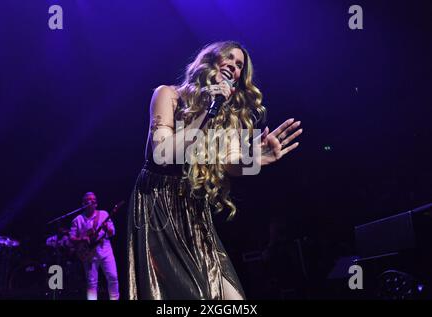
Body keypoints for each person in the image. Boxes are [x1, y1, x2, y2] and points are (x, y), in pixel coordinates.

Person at [127, 41, 302, 300]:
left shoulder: (228, 117)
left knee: (230, 297)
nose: (234, 65)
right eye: (228, 58)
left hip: (194, 210)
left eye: (240, 64)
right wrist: (209, 110)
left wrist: (256, 159)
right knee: (180, 296)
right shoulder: (168, 94)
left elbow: (231, 165)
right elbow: (162, 153)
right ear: (210, 60)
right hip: (157, 204)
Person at [70, 192, 119, 300]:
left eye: (94, 200)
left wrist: (107, 229)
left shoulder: (104, 214)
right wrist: (82, 238)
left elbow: (112, 233)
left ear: (96, 203)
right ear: (83, 203)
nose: (91, 201)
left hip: (105, 250)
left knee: (113, 277)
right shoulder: (77, 220)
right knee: (92, 283)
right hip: (88, 254)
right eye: (88, 200)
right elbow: (71, 238)